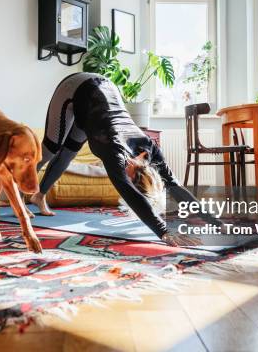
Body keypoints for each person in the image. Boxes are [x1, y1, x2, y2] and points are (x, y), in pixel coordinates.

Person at [30, 72, 211, 247]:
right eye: (129, 181)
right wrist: (163, 231)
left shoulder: (151, 149)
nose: (124, 180)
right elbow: (130, 194)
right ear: (133, 178)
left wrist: (215, 222)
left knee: (68, 153)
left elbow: (175, 186)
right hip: (76, 87)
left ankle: (39, 196)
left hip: (95, 108)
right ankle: (17, 188)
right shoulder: (114, 151)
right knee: (49, 150)